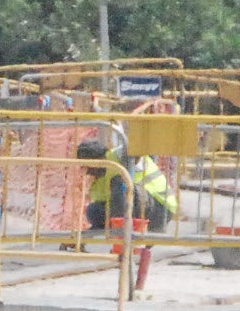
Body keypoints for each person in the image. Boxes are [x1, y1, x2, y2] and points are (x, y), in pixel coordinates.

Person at [75, 120, 178, 286]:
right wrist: (82, 237)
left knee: (121, 185)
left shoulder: (120, 156)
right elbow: (104, 209)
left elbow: (135, 151)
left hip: (159, 206)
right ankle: (125, 236)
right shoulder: (99, 179)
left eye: (87, 165)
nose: (86, 171)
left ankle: (123, 239)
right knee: (94, 211)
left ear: (98, 159)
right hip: (138, 208)